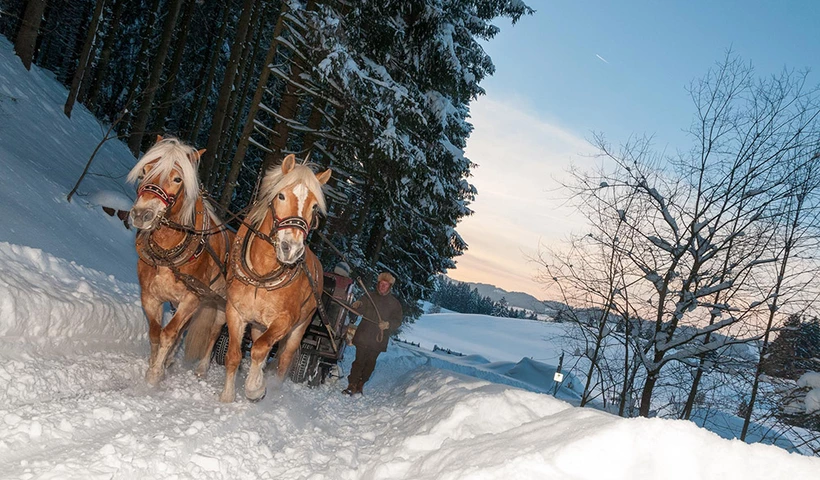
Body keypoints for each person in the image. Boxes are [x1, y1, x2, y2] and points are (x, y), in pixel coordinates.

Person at [343, 272, 403, 395]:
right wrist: (357, 305)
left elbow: (398, 321)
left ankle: (361, 383)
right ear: (378, 284)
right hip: (364, 334)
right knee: (359, 361)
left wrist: (387, 325)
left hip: (378, 339)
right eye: (381, 284)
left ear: (389, 287)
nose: (382, 287)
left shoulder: (394, 303)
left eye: (385, 285)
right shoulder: (368, 296)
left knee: (370, 363)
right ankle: (352, 384)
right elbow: (359, 309)